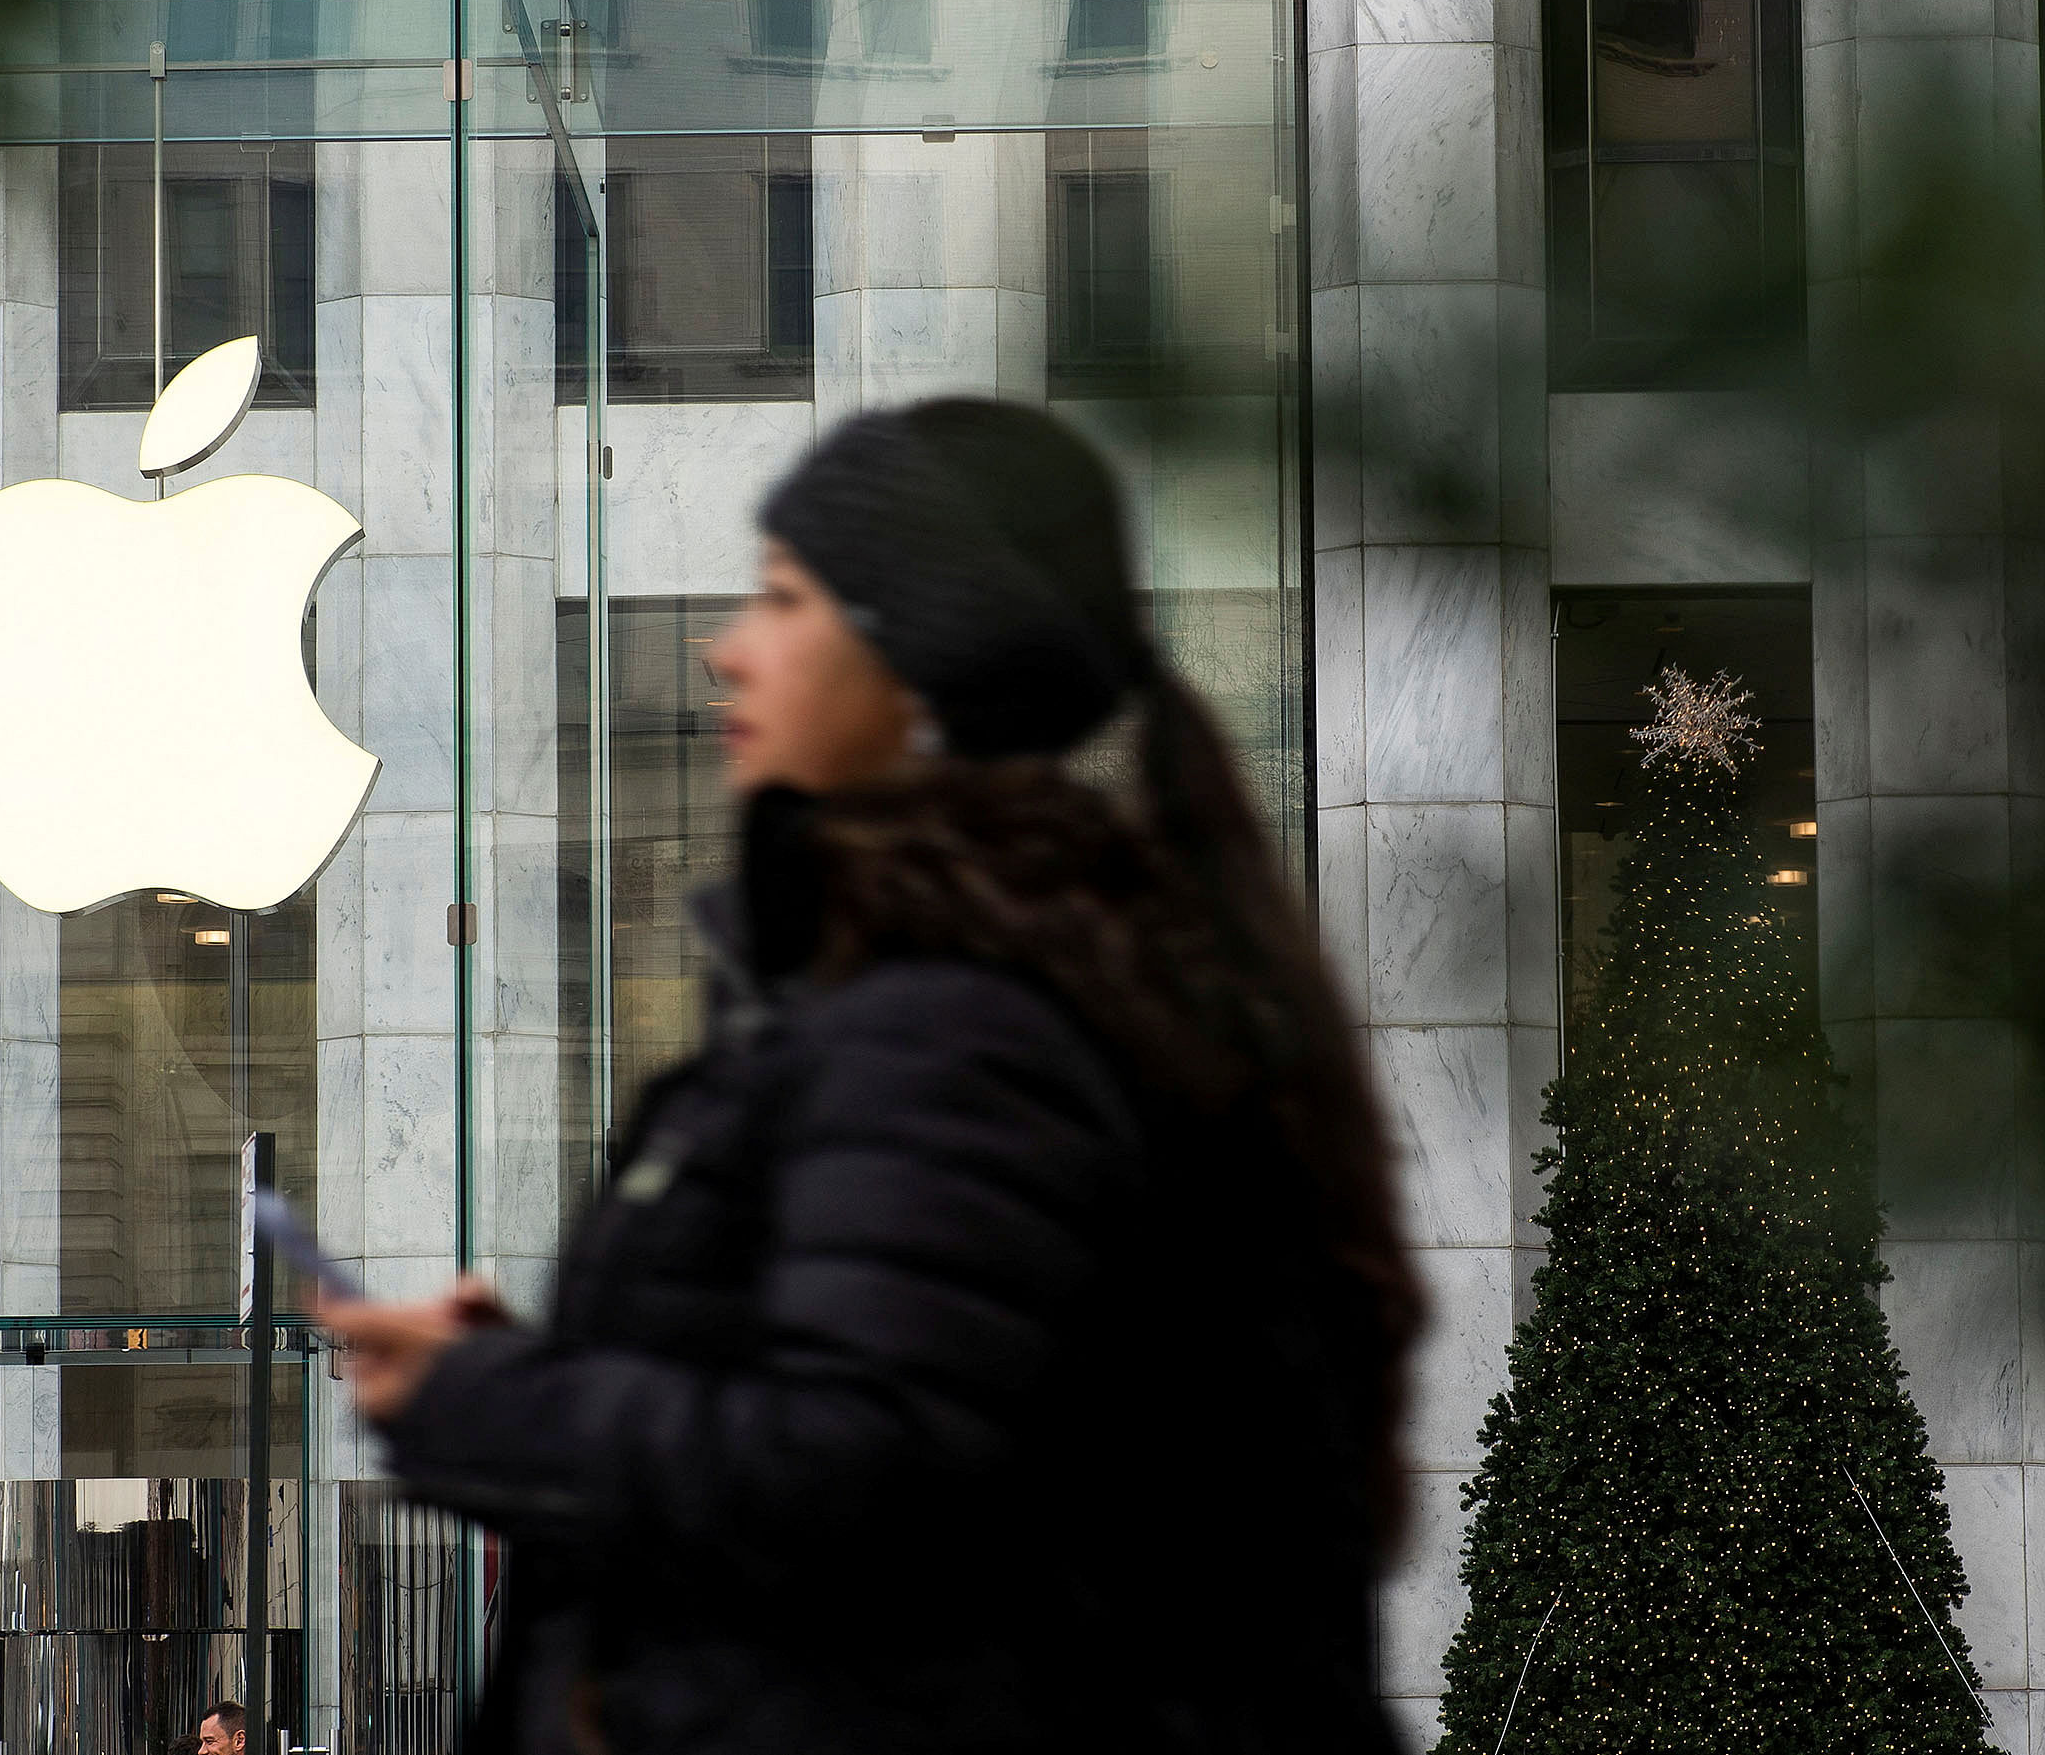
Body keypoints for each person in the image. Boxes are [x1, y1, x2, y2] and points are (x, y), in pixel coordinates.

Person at [317, 398, 1425, 1755]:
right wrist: (547, 1371)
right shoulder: (992, 984)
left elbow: (862, 1468)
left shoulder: (954, 1023)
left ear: (916, 664)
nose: (729, 652)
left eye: (785, 598)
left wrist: (484, 1405)